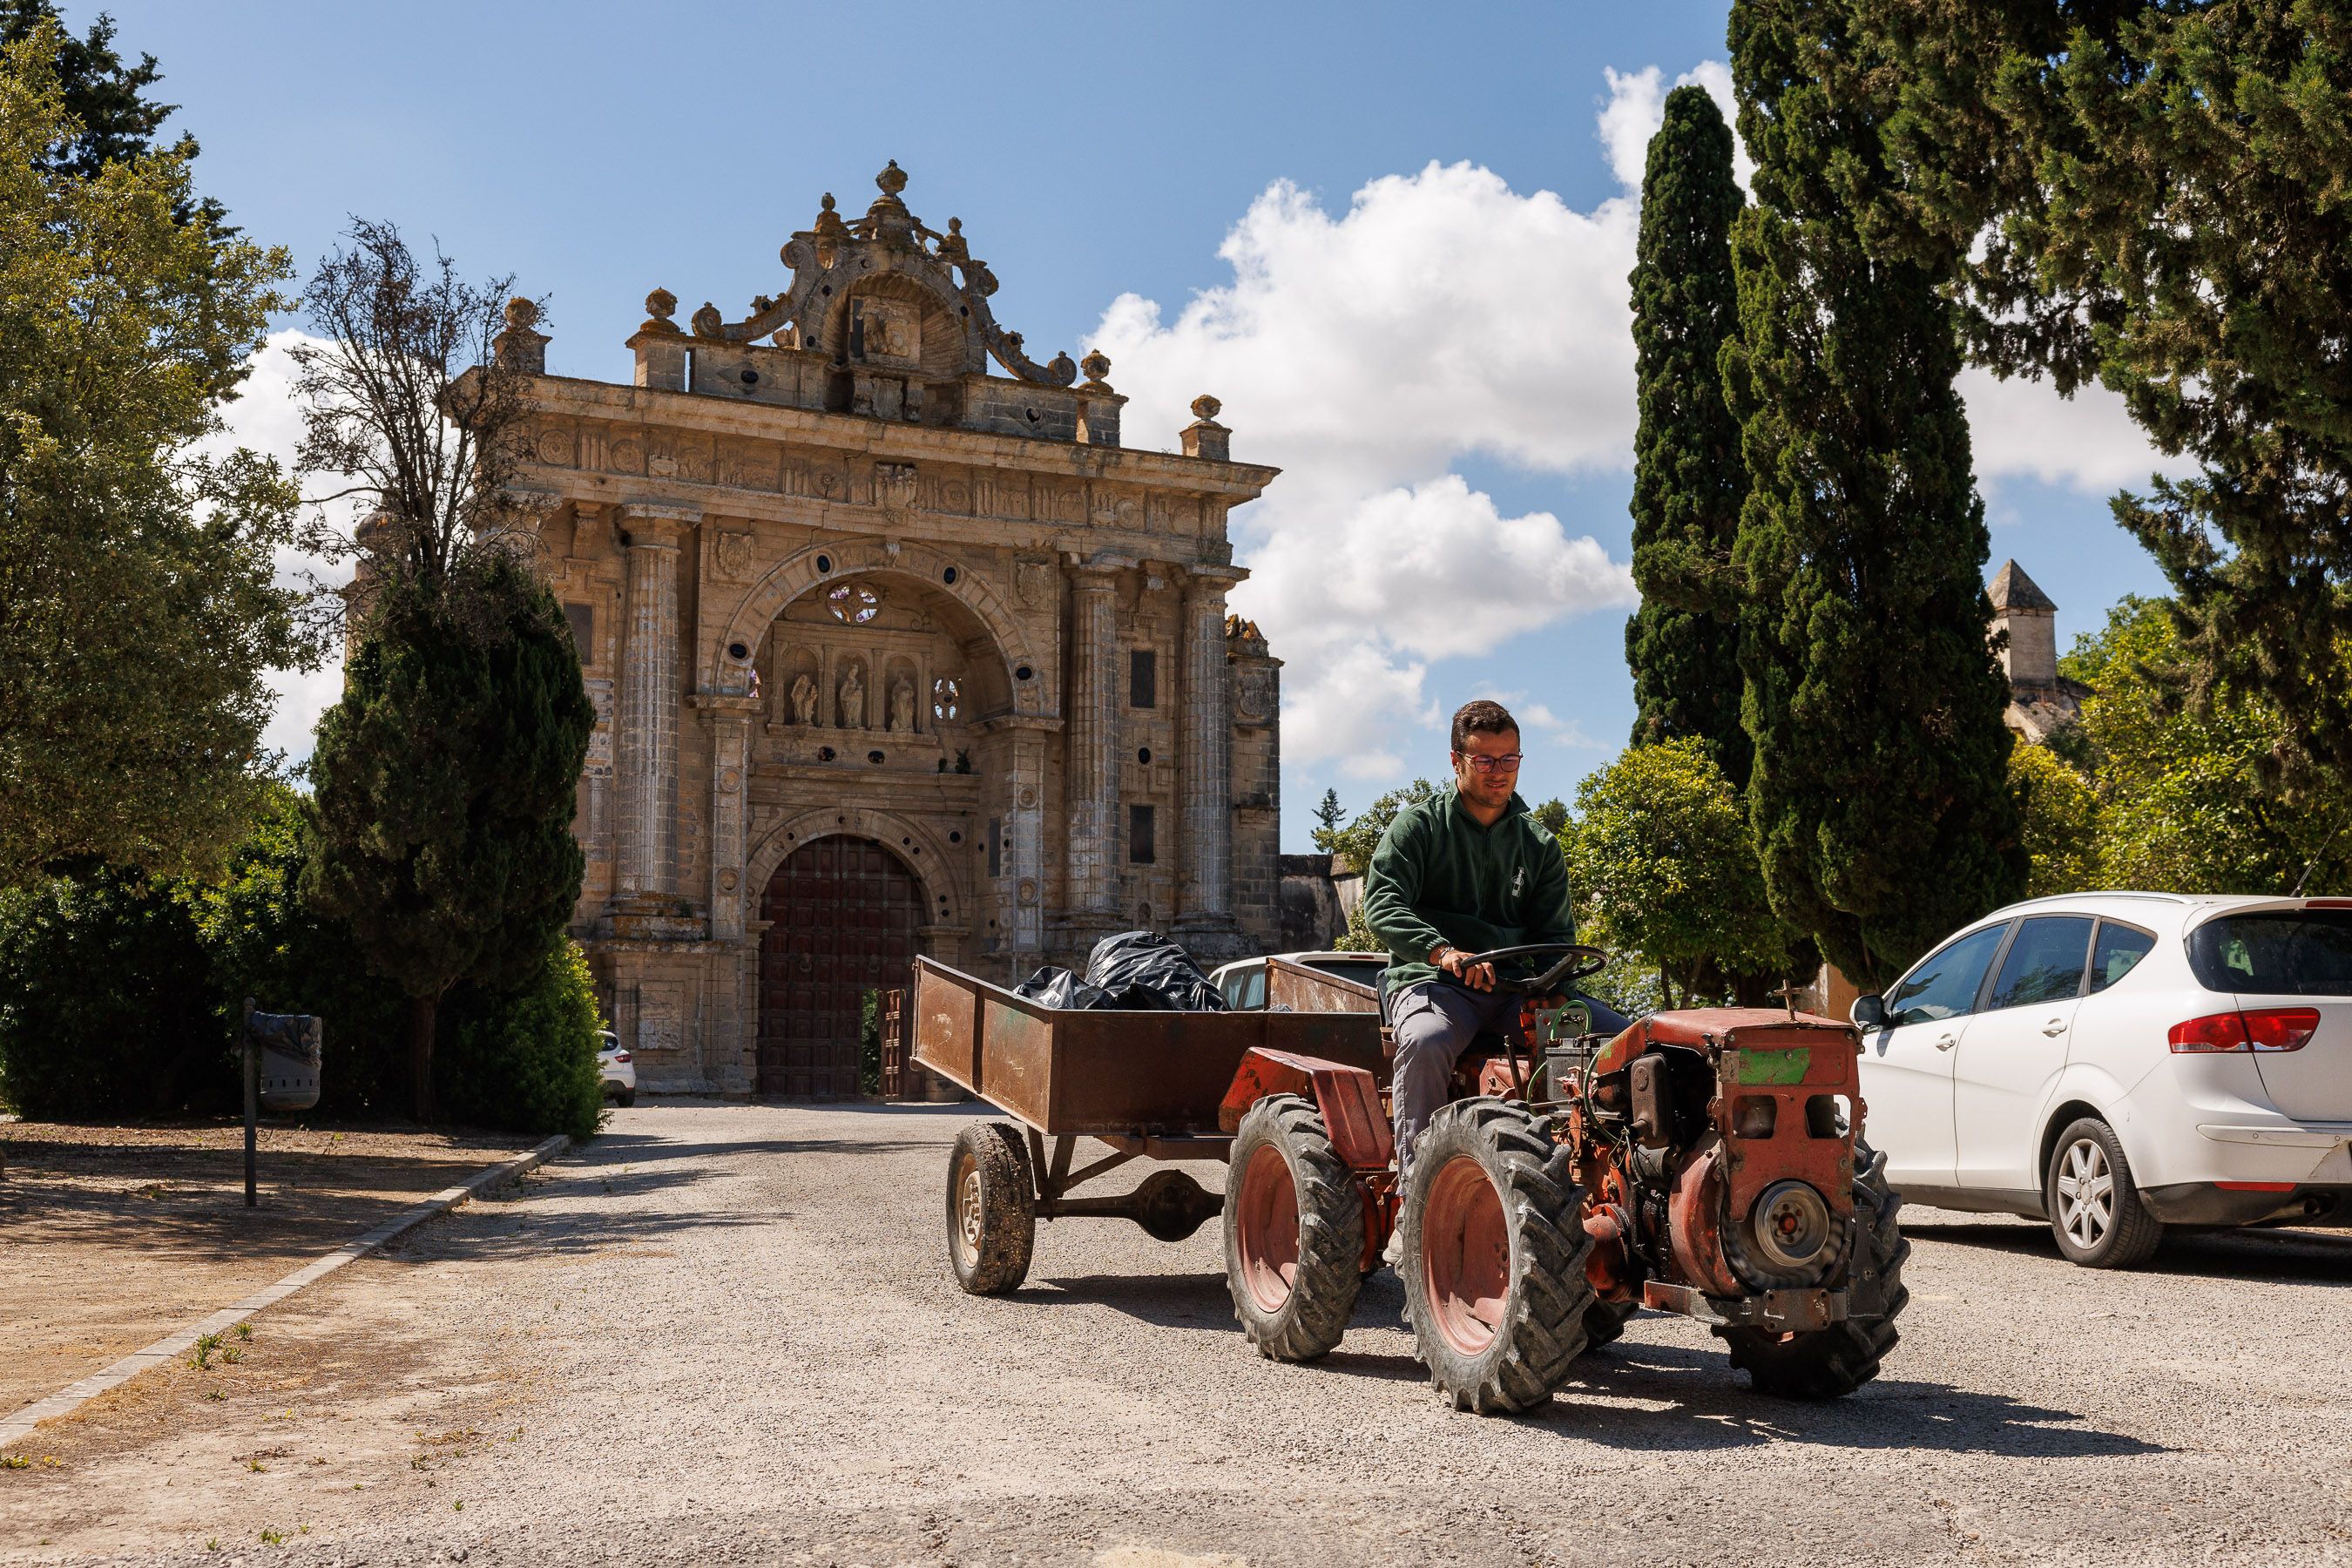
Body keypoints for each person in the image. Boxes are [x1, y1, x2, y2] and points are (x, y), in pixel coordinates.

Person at [1361, 699, 1578, 1212]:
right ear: (1456, 761)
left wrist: (1554, 988)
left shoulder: (1540, 845)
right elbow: (1382, 904)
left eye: (1510, 760)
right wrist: (1442, 951)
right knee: (1426, 1038)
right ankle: (1417, 1194)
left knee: (1616, 1036)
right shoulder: (1418, 828)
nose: (1498, 773)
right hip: (1433, 982)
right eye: (1484, 761)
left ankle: (1595, 1176)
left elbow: (1556, 934)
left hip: (1514, 990)